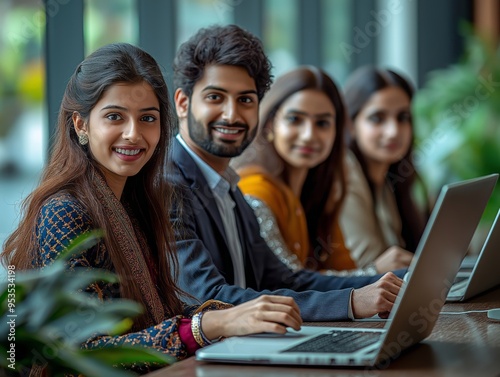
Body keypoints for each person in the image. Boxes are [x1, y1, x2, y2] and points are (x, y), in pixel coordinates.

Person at [1, 43, 303, 374]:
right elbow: (83, 349)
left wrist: (240, 316)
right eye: (115, 117)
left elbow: (160, 314)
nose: (133, 134)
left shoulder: (137, 202)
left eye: (147, 118)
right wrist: (213, 324)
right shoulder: (64, 211)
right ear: (81, 125)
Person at [167, 24, 404, 323]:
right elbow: (211, 299)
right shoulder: (168, 186)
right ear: (183, 103)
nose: (231, 114)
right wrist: (352, 302)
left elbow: (288, 281)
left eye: (245, 100)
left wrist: (399, 279)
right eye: (215, 97)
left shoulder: (228, 187)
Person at [232, 66, 379, 276]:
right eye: (294, 119)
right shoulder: (255, 190)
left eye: (322, 123)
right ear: (270, 125)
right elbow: (288, 281)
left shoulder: (319, 191)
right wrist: (376, 271)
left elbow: (343, 267)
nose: (309, 135)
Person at [340, 66, 429, 272]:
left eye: (402, 117)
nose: (393, 131)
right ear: (351, 124)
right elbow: (369, 266)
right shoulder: (345, 173)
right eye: (377, 118)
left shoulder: (391, 178)